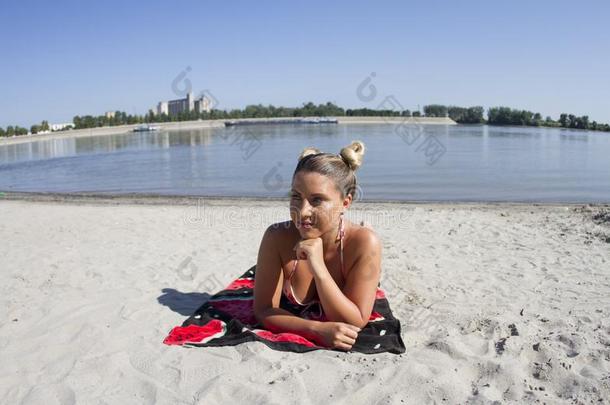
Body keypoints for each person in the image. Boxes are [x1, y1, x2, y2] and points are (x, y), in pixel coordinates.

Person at [253, 140, 382, 351]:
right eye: (296, 197)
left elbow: (356, 320)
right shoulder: (276, 237)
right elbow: (264, 310)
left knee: (367, 236)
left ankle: (365, 226)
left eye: (317, 200)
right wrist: (314, 329)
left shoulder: (364, 244)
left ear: (345, 203)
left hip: (352, 245)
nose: (302, 211)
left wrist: (319, 269)